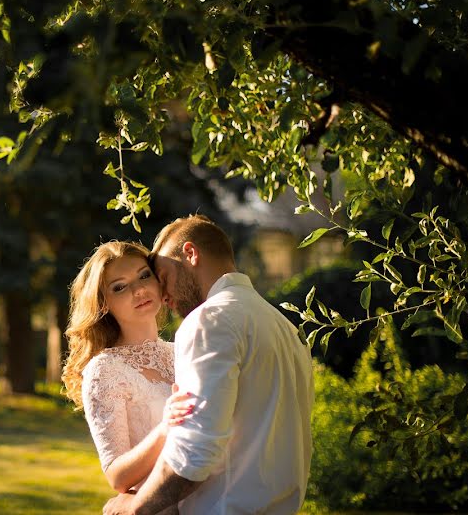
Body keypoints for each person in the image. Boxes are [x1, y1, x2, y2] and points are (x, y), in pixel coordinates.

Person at [104, 215, 314, 515]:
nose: (162, 296)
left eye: (163, 278)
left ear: (190, 254)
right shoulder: (285, 327)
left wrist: (135, 507)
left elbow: (194, 453)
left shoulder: (208, 320)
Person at [62, 241, 193, 507]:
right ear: (103, 304)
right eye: (120, 287)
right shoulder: (104, 370)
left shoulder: (184, 350)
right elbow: (117, 476)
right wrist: (166, 428)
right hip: (158, 506)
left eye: (145, 275)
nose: (139, 290)